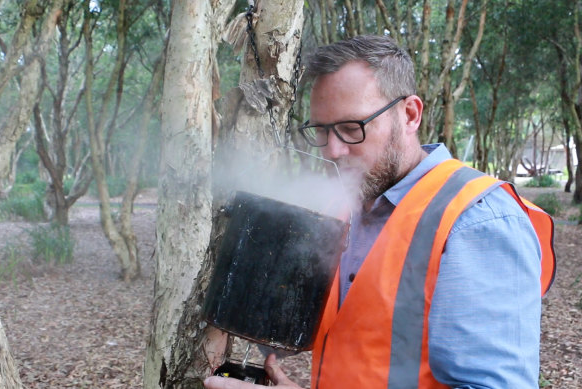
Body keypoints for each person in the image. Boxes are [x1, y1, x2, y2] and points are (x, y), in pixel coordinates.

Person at [204, 35, 555, 389]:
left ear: (410, 114)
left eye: (351, 128)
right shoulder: (343, 209)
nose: (333, 151)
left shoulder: (477, 220)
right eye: (322, 131)